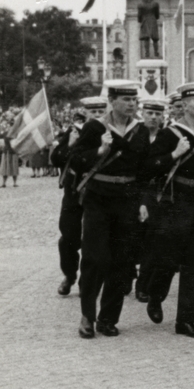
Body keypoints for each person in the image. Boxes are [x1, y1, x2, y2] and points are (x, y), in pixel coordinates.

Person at [142, 84, 194, 338]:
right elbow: (149, 167)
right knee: (167, 258)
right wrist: (174, 154)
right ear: (185, 105)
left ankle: (186, 320)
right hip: (174, 203)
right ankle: (155, 295)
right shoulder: (169, 134)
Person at [68, 80, 152, 339]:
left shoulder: (140, 130)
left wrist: (144, 201)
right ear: (112, 101)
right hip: (98, 199)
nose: (131, 104)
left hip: (127, 199)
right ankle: (87, 316)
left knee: (122, 260)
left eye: (134, 100)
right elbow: (75, 160)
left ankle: (108, 319)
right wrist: (100, 150)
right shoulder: (95, 127)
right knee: (95, 258)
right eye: (126, 99)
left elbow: (144, 170)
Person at [50, 97, 106, 296]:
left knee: (94, 239)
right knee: (68, 236)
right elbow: (55, 159)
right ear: (85, 113)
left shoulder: (110, 132)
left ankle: (87, 280)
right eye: (93, 111)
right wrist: (69, 144)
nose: (97, 115)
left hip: (98, 191)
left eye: (101, 111)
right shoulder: (74, 131)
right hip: (74, 190)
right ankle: (69, 274)